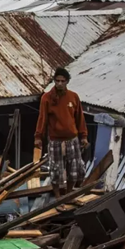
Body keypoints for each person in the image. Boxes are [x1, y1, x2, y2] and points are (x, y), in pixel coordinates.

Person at [34, 66, 89, 197]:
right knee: (56, 170)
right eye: (57, 81)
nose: (59, 83)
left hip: (72, 138)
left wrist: (84, 136)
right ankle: (58, 196)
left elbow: (79, 118)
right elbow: (42, 118)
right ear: (54, 81)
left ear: (67, 81)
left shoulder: (73, 97)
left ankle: (69, 193)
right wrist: (38, 137)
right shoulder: (47, 98)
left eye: (62, 81)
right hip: (55, 140)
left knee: (75, 169)